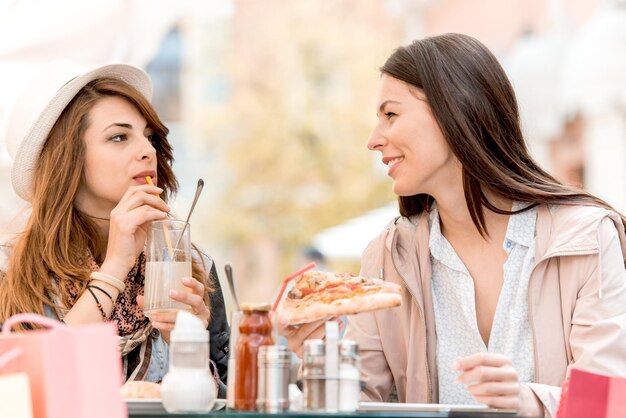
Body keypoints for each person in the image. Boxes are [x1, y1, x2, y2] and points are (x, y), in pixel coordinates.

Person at [281, 33, 626, 417]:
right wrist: (321, 360)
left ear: (455, 111)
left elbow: (612, 400)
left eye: (391, 115)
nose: (374, 140)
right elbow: (364, 405)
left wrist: (528, 401)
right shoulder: (388, 257)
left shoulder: (584, 238)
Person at [0, 61, 230, 392]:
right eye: (119, 136)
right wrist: (115, 266)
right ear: (67, 159)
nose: (147, 151)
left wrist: (188, 346)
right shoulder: (10, 271)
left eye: (148, 136)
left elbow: (230, 402)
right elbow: (32, 390)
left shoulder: (193, 266)